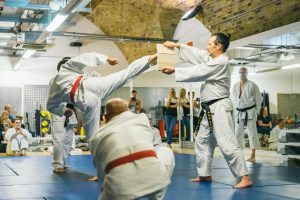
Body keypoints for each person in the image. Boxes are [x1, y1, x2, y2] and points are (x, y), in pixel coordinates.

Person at [161, 32, 252, 188]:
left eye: (210, 44)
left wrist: (175, 70)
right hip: (208, 108)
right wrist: (177, 46)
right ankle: (204, 174)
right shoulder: (214, 59)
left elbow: (199, 71)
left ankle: (245, 177)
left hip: (220, 108)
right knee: (202, 140)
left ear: (218, 46)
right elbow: (199, 54)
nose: (207, 46)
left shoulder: (221, 62)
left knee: (226, 142)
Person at [47, 52, 157, 148]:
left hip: (85, 100)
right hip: (93, 85)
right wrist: (106, 59)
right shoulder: (67, 66)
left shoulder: (54, 85)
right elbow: (86, 57)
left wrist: (63, 110)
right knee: (126, 74)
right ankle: (152, 58)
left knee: (92, 138)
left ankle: (103, 164)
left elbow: (51, 106)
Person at [91, 98, 174, 200]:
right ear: (127, 111)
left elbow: (101, 173)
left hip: (119, 188)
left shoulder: (99, 135)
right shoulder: (142, 119)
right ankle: (156, 197)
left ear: (105, 117)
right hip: (155, 179)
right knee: (165, 150)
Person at [231, 67, 263, 162]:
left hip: (250, 112)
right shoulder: (235, 85)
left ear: (247, 73)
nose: (242, 74)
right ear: (238, 73)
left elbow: (259, 99)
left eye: (244, 72)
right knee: (237, 134)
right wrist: (234, 112)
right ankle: (238, 154)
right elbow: (234, 100)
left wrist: (256, 112)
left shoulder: (252, 85)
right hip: (239, 112)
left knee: (252, 133)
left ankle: (253, 155)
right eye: (240, 72)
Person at [51, 103, 78, 173]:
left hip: (71, 110)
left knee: (68, 140)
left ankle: (62, 161)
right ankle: (58, 165)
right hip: (59, 110)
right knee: (59, 139)